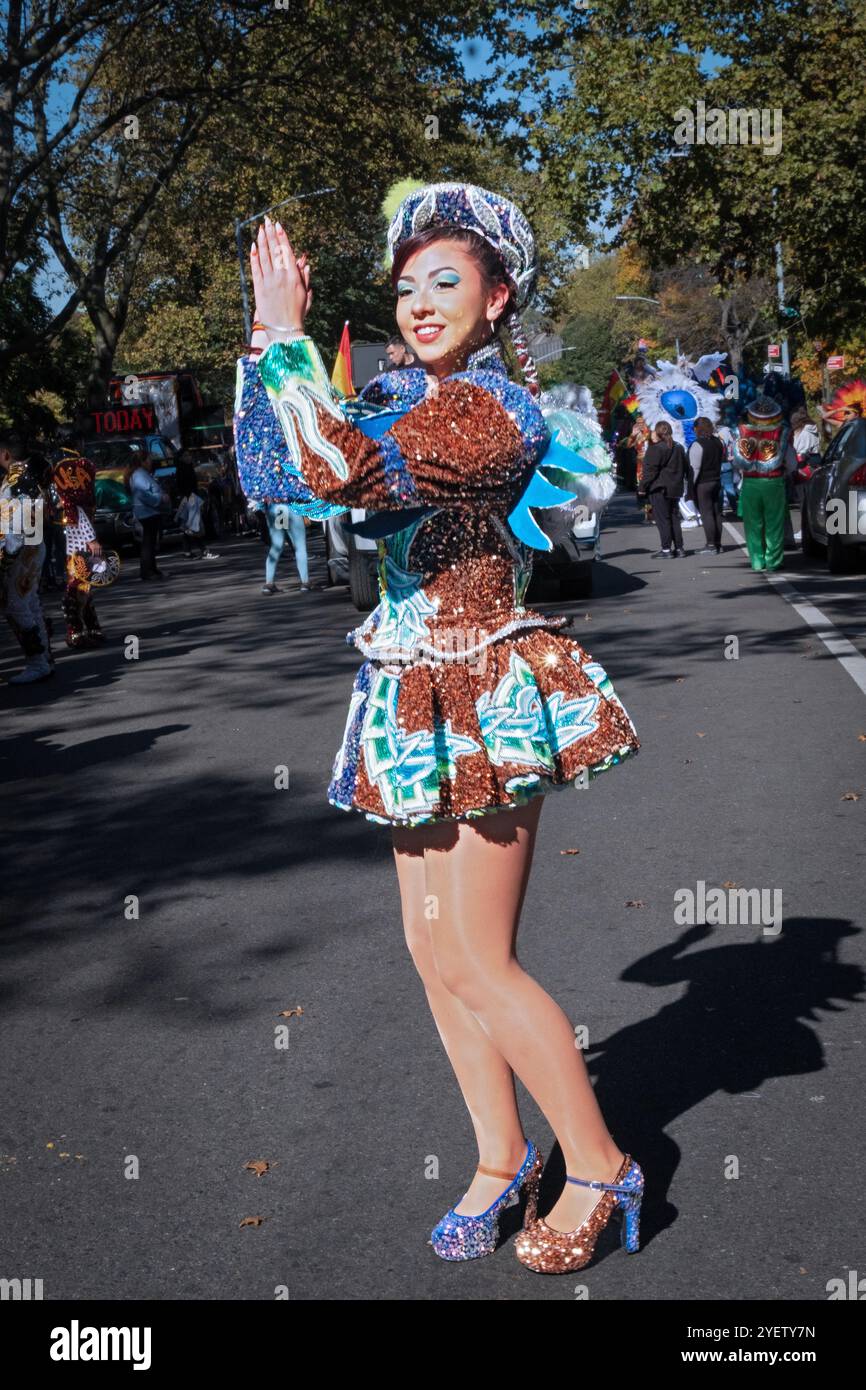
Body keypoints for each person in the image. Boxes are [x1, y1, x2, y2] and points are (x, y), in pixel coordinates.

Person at [235, 187, 644, 1278]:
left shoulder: (489, 410)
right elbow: (277, 476)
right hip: (407, 686)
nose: (417, 303)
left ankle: (601, 1162)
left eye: (444, 282)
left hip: (492, 692)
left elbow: (337, 469)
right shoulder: (388, 392)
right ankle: (498, 1152)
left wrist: (282, 340)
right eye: (405, 285)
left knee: (476, 952)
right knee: (428, 951)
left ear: (498, 295)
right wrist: (266, 351)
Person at [0, 433, 54, 682]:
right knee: (29, 603)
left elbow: (17, 521)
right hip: (32, 546)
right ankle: (43, 659)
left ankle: (37, 662)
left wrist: (8, 552)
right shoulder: (29, 476)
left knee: (17, 605)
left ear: (5, 455)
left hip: (23, 550)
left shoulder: (16, 480)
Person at [48, 431, 105, 643]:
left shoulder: (53, 464)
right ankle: (76, 628)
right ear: (77, 441)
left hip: (61, 526)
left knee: (81, 577)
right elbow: (73, 504)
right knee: (79, 579)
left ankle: (89, 626)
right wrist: (90, 536)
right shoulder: (80, 465)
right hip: (77, 529)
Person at [732, 396, 798, 572]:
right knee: (774, 524)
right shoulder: (782, 433)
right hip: (773, 482)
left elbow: (736, 462)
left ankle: (757, 561)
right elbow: (792, 463)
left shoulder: (742, 431)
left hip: (750, 483)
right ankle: (773, 561)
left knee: (753, 524)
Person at [639, 420, 689, 557]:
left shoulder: (656, 448)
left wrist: (642, 487)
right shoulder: (679, 447)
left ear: (658, 432)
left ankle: (666, 549)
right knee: (674, 518)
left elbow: (650, 471)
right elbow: (685, 467)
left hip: (660, 487)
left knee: (663, 519)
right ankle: (679, 548)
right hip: (675, 488)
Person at [128, 453, 168, 580]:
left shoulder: (142, 474)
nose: (151, 462)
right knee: (148, 543)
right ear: (143, 461)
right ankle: (147, 572)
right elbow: (143, 494)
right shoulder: (139, 475)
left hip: (150, 511)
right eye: (149, 459)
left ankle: (153, 569)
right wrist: (159, 498)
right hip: (146, 512)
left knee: (150, 542)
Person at [688, 416, 724, 555]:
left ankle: (710, 545)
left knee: (706, 513)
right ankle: (718, 544)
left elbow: (694, 469)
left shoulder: (698, 444)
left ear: (697, 429)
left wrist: (691, 487)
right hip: (716, 480)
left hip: (703, 483)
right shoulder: (718, 442)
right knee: (716, 513)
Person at [261, 500, 310, 594]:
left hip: (276, 508)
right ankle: (305, 583)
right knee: (300, 547)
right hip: (292, 507)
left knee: (276, 546)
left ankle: (269, 584)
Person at [175, 484, 218, 560]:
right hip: (189, 518)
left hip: (187, 518)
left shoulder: (187, 497)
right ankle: (203, 551)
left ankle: (188, 552)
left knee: (189, 534)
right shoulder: (192, 498)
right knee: (194, 533)